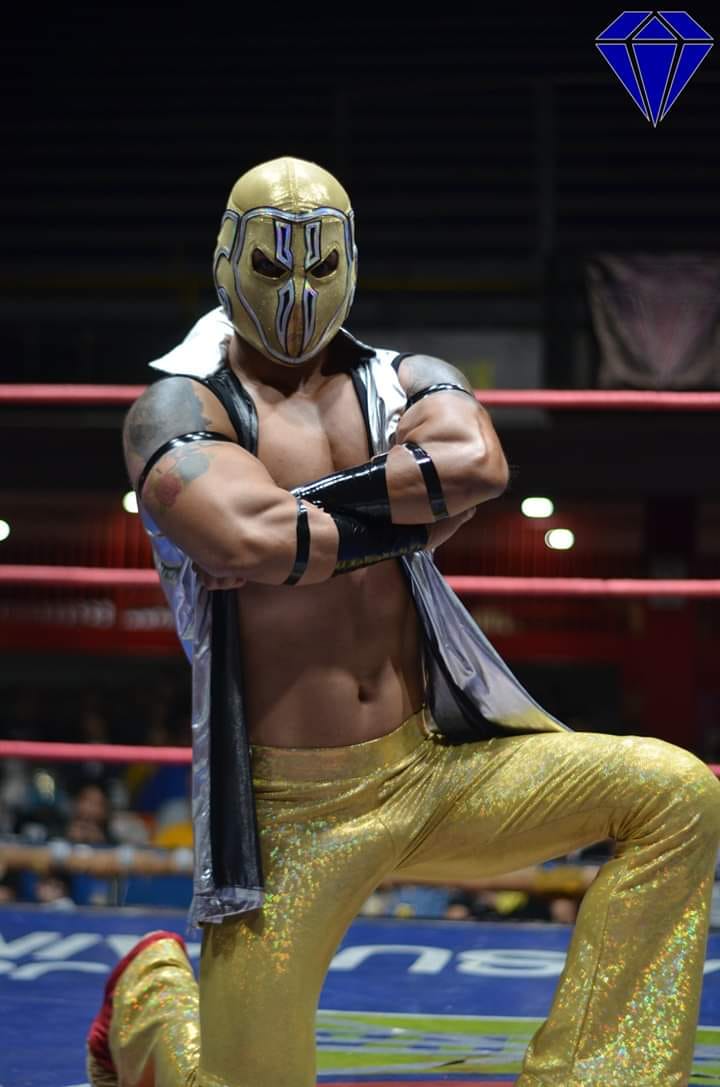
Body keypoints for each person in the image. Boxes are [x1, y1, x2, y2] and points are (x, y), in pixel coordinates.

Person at [87, 156, 720, 1087]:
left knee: (675, 792)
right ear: (226, 258)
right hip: (293, 811)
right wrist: (408, 512)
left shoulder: (406, 376)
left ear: (351, 259)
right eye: (270, 264)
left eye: (318, 263)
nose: (296, 292)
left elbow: (477, 468)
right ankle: (151, 1000)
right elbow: (245, 533)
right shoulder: (177, 406)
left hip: (435, 766)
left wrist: (299, 527)